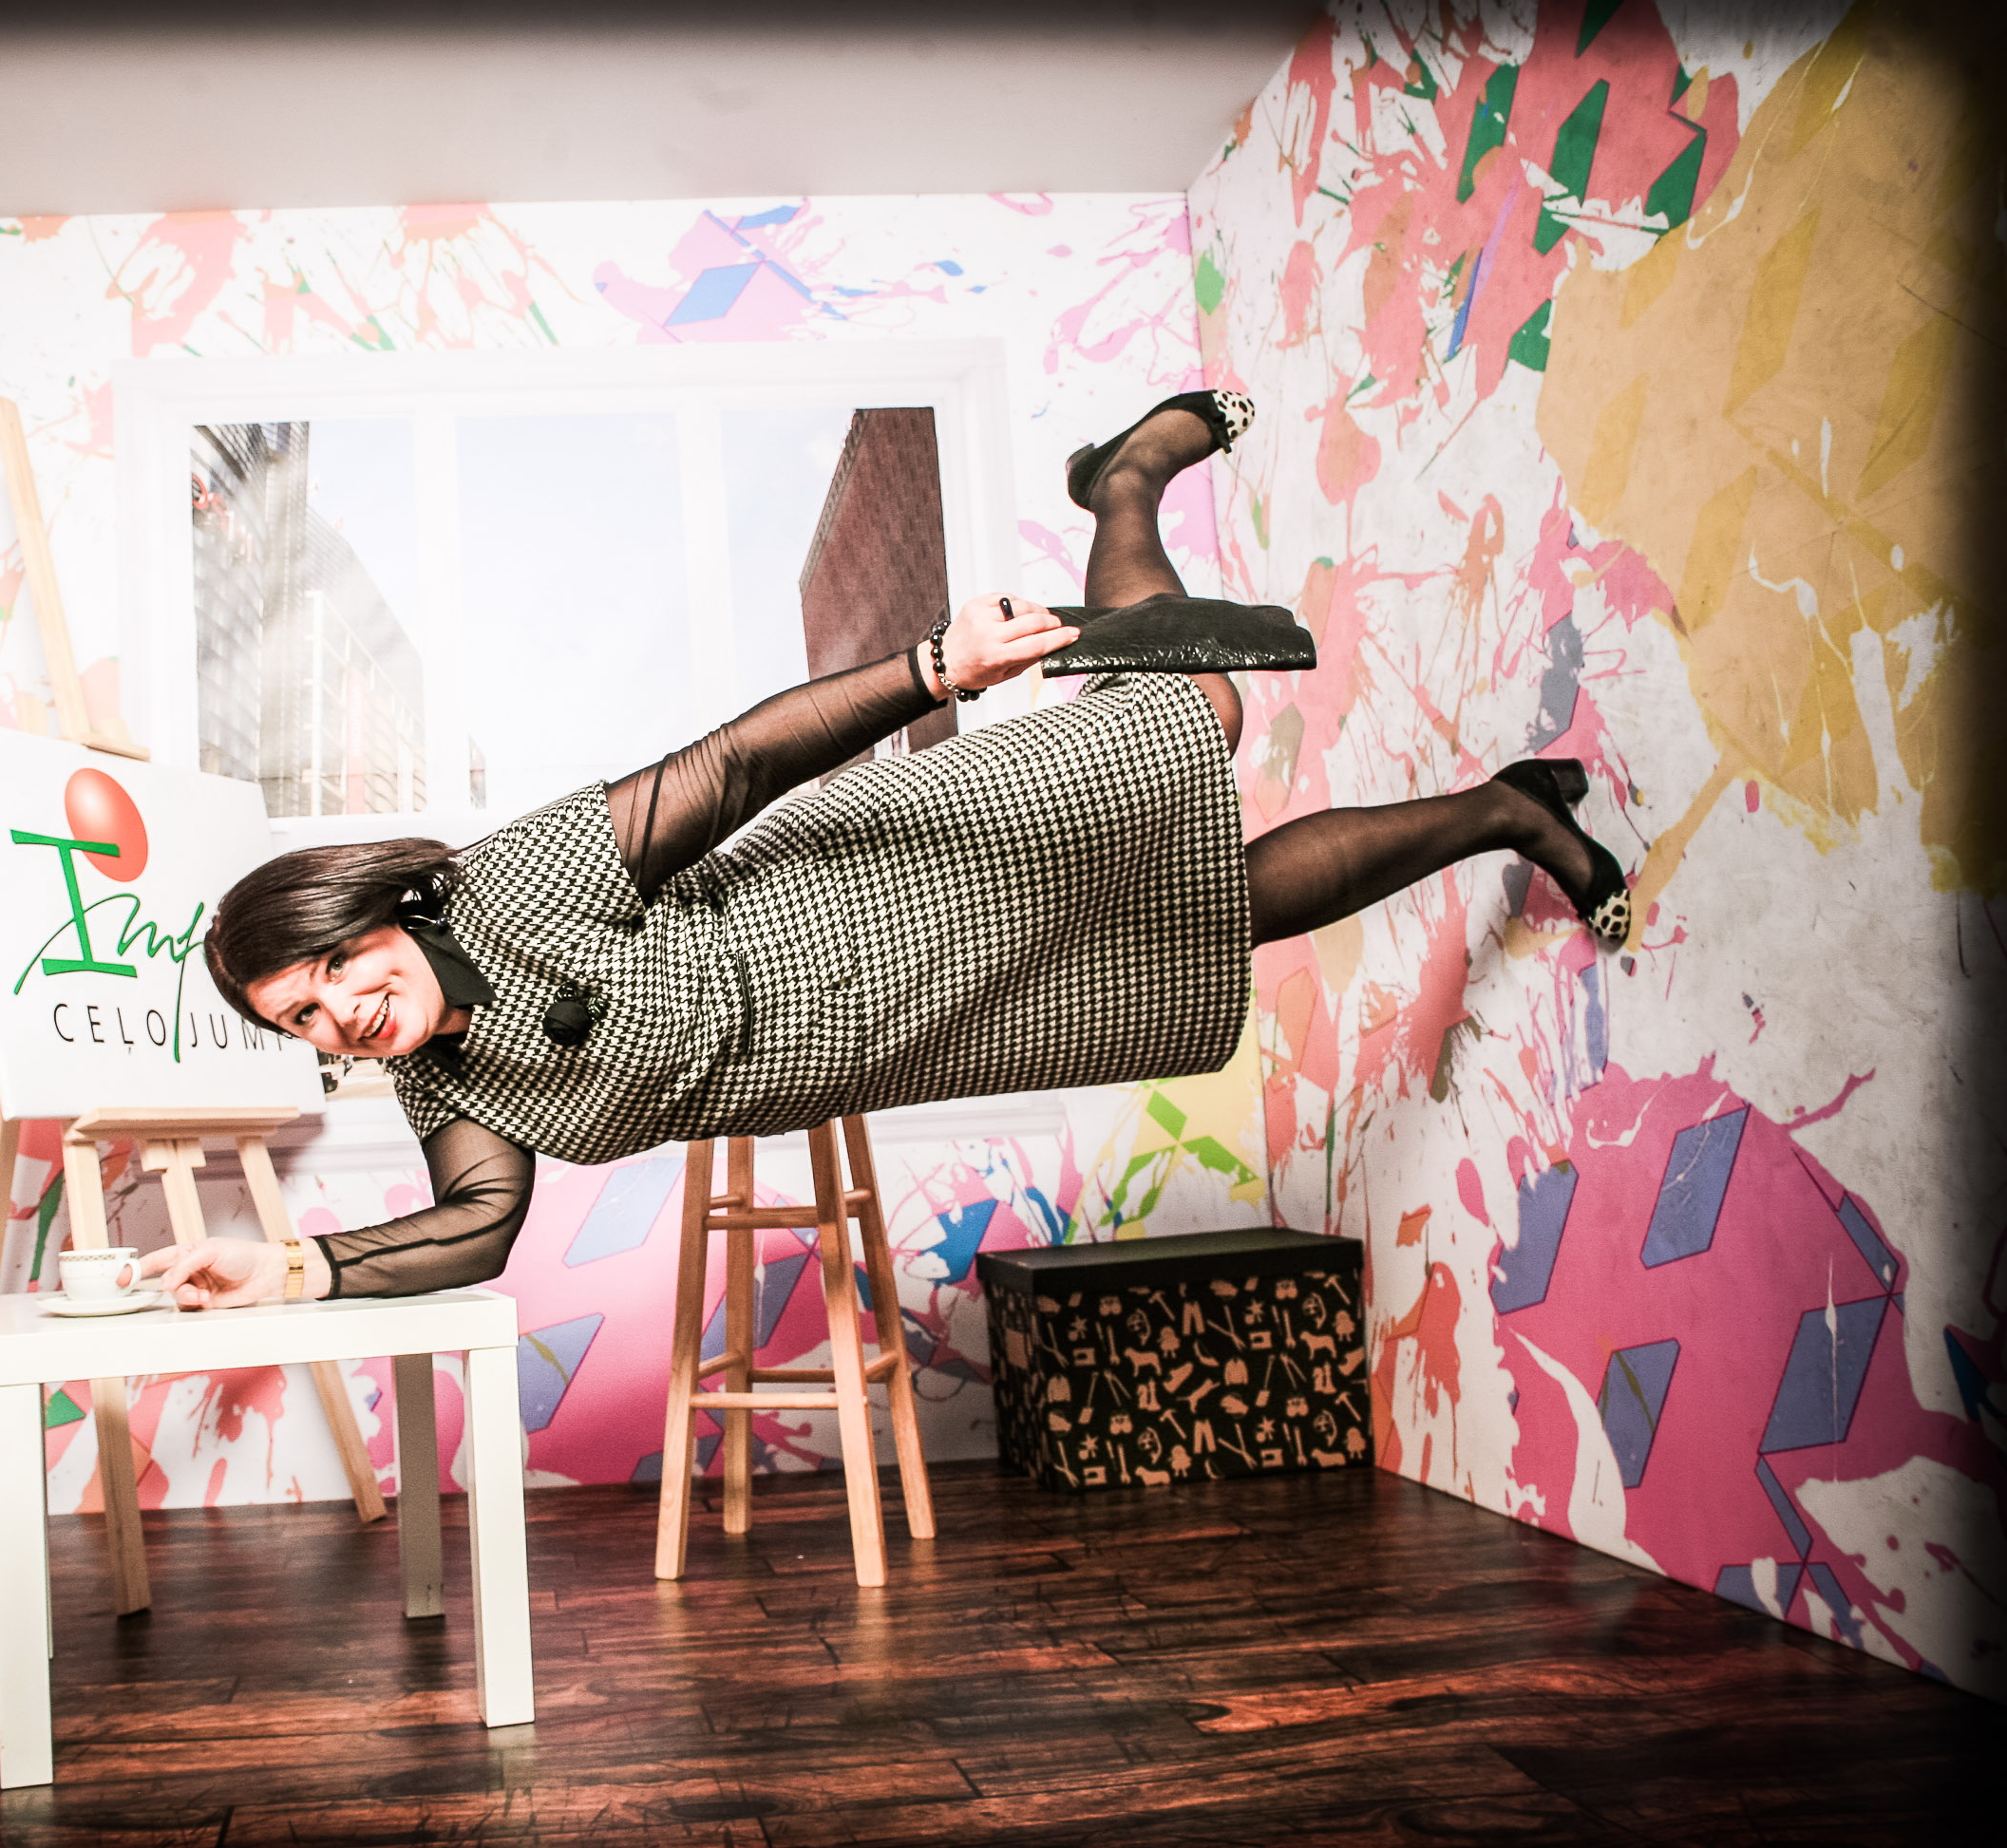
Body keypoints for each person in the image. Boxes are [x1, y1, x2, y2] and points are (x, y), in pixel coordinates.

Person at [144, 392, 1631, 1309]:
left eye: (332, 966)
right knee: (1216, 921)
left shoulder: (506, 884)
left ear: (374, 912)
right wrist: (287, 1266)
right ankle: (1509, 810)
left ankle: (1122, 484)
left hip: (886, 881)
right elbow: (477, 1228)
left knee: (1194, 712)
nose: (340, 1010)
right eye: (304, 1019)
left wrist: (934, 669)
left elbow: (730, 770)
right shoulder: (444, 1083)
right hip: (917, 1033)